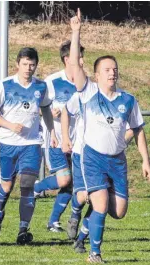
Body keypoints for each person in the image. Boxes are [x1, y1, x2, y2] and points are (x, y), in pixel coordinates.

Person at [69, 9, 150, 262]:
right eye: (107, 69)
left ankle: (84, 231)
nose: (112, 73)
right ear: (97, 75)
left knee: (119, 211)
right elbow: (73, 66)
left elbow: (138, 129)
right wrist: (76, 32)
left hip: (117, 160)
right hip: (92, 157)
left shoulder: (128, 100)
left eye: (114, 69)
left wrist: (146, 160)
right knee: (101, 204)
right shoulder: (88, 92)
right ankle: (95, 254)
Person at [0, 47, 58, 244]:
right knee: (7, 186)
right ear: (17, 64)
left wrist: (51, 132)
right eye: (25, 64)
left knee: (27, 185)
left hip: (32, 144)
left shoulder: (41, 87)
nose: (29, 68)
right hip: (8, 144)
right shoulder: (5, 85)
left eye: (32, 64)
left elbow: (46, 110)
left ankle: (22, 230)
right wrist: (9, 125)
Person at [61, 93, 135, 253]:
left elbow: (131, 130)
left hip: (109, 160)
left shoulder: (120, 102)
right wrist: (65, 137)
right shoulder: (84, 96)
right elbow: (66, 111)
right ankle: (75, 213)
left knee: (101, 201)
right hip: (83, 154)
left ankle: (81, 240)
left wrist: (117, 143)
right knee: (84, 196)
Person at [33, 40, 85, 233]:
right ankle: (36, 188)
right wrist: (48, 113)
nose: (82, 60)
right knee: (64, 179)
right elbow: (39, 107)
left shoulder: (84, 83)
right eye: (79, 56)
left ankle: (53, 221)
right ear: (67, 59)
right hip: (55, 138)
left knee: (71, 183)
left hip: (77, 141)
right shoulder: (53, 81)